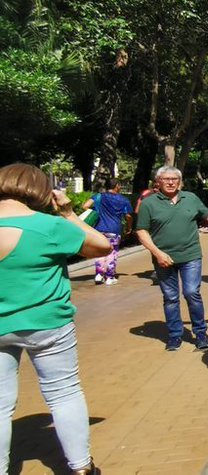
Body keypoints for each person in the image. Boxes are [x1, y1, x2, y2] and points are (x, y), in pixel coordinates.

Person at [0, 163, 111, 475]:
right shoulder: (49, 226)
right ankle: (81, 467)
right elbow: (102, 246)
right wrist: (68, 213)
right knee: (64, 393)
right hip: (47, 323)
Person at [135, 166, 208, 351]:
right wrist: (157, 253)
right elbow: (141, 231)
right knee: (170, 298)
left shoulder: (190, 198)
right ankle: (175, 335)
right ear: (158, 182)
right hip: (163, 258)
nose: (171, 182)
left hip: (190, 255)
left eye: (174, 179)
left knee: (192, 293)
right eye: (166, 179)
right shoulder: (149, 203)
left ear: (180, 182)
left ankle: (200, 333)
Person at [82, 178, 132, 285]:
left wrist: (96, 212)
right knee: (112, 252)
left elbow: (85, 206)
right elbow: (128, 216)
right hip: (114, 230)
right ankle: (110, 277)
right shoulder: (123, 200)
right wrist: (129, 227)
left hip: (98, 230)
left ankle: (99, 275)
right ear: (117, 186)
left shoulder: (98, 196)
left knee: (100, 251)